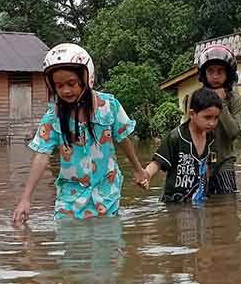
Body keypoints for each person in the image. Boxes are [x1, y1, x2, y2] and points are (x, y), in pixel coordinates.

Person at [12, 43, 148, 223]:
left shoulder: (109, 107)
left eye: (71, 83)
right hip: (70, 198)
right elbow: (41, 156)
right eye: (59, 86)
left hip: (106, 194)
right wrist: (25, 198)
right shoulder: (53, 117)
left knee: (107, 243)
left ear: (86, 78)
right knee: (72, 245)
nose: (66, 90)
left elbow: (123, 138)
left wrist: (139, 170)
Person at [140, 88, 222, 203]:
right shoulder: (176, 137)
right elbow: (157, 163)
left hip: (199, 202)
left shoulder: (212, 139)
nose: (212, 123)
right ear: (192, 114)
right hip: (174, 203)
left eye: (216, 118)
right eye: (207, 117)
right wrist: (147, 174)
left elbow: (210, 167)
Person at [186, 45, 241, 195]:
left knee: (228, 204)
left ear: (228, 74)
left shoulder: (235, 99)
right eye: (210, 71)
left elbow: (233, 132)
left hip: (225, 161)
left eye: (220, 71)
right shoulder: (195, 98)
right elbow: (188, 131)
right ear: (203, 74)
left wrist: (222, 103)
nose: (215, 76)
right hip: (200, 159)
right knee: (197, 203)